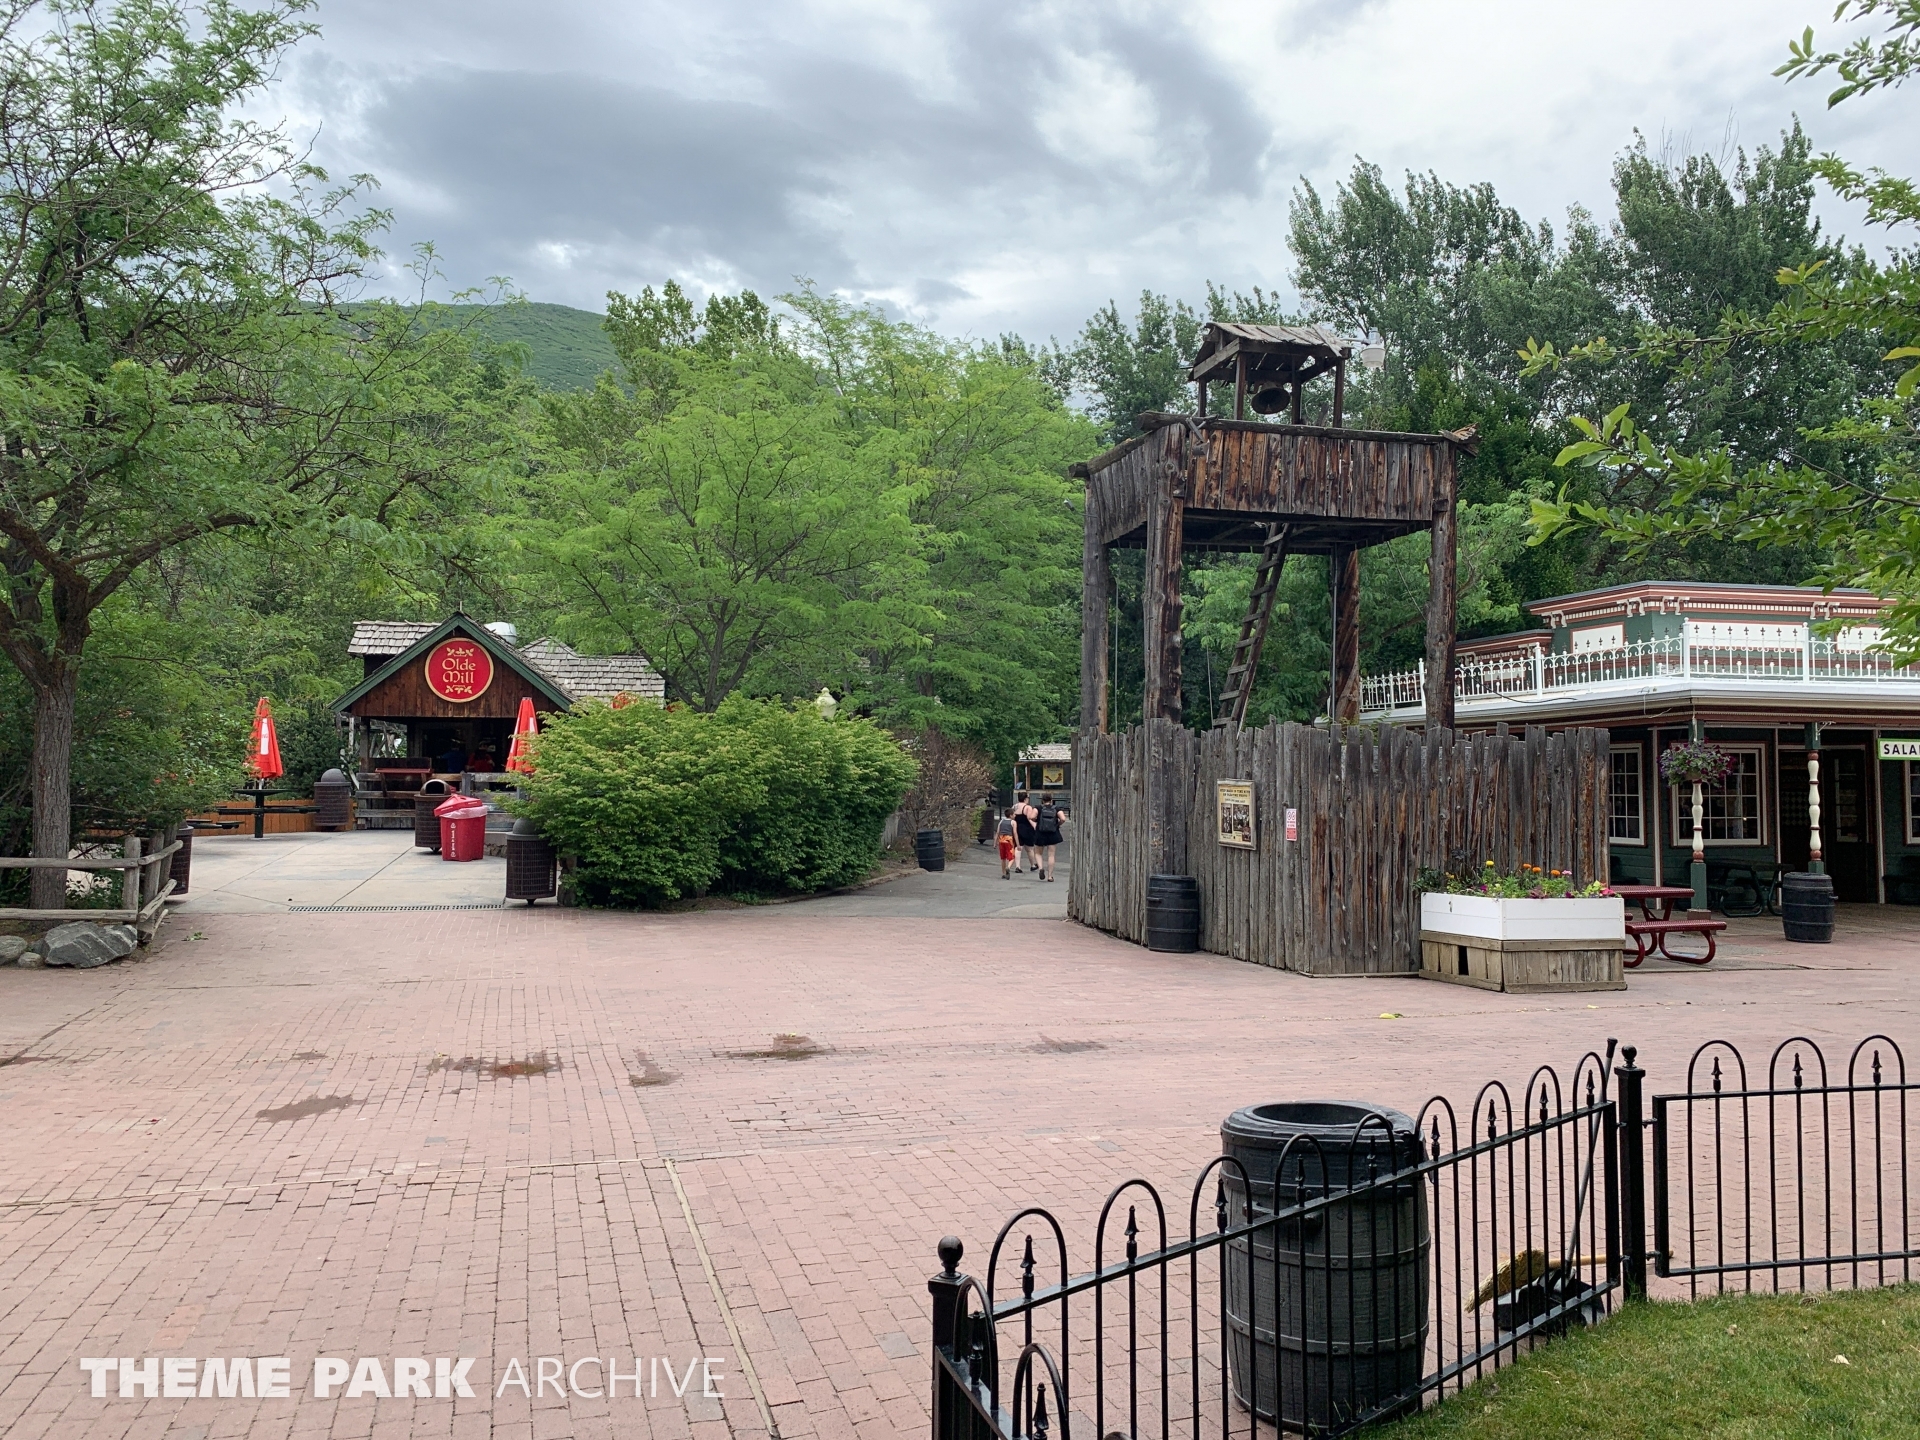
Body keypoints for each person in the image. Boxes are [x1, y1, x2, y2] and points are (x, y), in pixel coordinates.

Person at [1033, 791, 1068, 882]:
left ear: (1042, 800)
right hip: (1052, 833)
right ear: (1051, 800)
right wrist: (1057, 824)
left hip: (1040, 832)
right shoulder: (1056, 808)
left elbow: (1031, 816)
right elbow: (1063, 818)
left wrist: (1037, 821)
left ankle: (1041, 868)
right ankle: (1050, 876)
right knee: (1051, 855)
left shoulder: (1038, 808)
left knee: (1038, 853)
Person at [1009, 791, 1039, 874]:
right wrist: (1035, 827)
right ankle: (1032, 865)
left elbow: (1011, 817)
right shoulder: (1027, 807)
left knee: (1018, 847)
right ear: (1025, 799)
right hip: (1027, 829)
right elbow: (1030, 818)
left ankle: (1018, 866)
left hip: (1016, 828)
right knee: (1029, 848)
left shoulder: (1014, 806)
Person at [995, 810, 1018, 878]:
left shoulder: (1001, 821)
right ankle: (1008, 867)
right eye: (1014, 814)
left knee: (1003, 858)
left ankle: (1003, 873)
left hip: (1001, 840)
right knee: (1012, 857)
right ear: (1011, 815)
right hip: (1009, 840)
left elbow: (997, 832)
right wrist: (1018, 844)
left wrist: (995, 842)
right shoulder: (1013, 822)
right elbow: (1015, 833)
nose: (1015, 815)